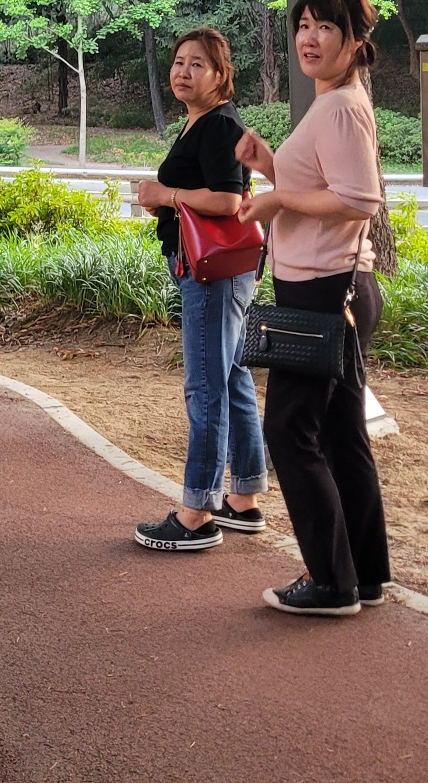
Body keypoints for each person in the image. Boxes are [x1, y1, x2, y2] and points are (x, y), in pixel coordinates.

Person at [236, 0, 390, 615]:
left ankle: (331, 581)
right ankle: (365, 573)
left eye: (325, 27)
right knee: (339, 431)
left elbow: (359, 199)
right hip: (335, 289)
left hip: (324, 292)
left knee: (289, 430)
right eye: (302, 25)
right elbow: (325, 185)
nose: (309, 37)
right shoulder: (335, 102)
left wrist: (276, 198)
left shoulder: (340, 107)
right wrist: (272, 165)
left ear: (354, 40)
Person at [133, 28, 268, 551]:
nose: (183, 72)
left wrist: (165, 194)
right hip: (216, 270)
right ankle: (243, 498)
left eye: (197, 64)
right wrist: (168, 203)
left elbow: (228, 200)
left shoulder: (219, 125)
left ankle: (196, 513)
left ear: (220, 74)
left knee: (205, 386)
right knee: (230, 377)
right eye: (178, 62)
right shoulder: (202, 122)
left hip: (212, 274)